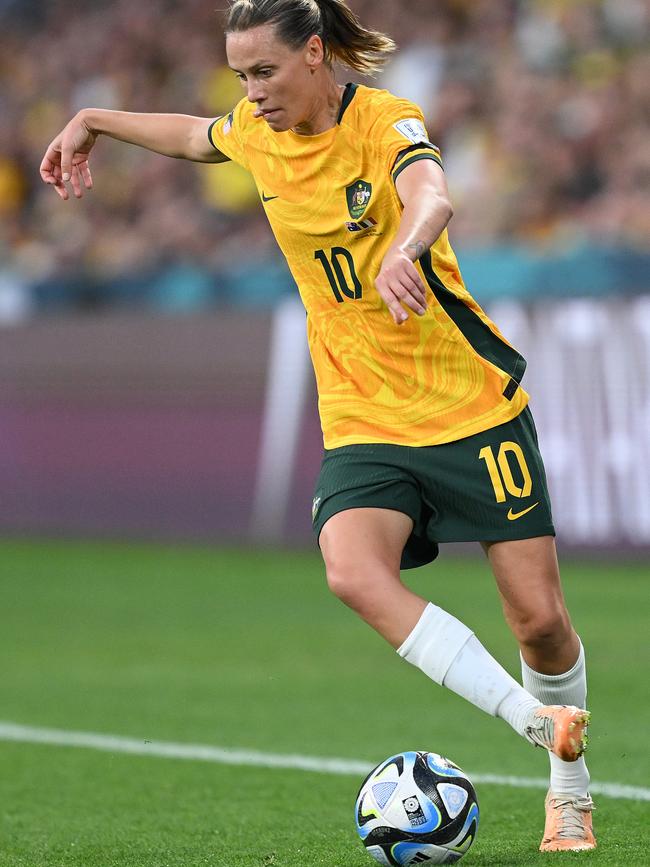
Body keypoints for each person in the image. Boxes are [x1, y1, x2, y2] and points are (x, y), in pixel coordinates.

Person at [40, 0, 595, 853]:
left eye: (263, 72)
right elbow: (194, 136)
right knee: (349, 570)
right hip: (362, 414)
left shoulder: (383, 119)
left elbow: (433, 191)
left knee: (540, 624)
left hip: (469, 407)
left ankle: (569, 786)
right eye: (239, 77)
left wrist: (406, 248)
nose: (250, 93)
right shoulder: (255, 136)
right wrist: (91, 120)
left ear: (312, 54)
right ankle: (540, 728)